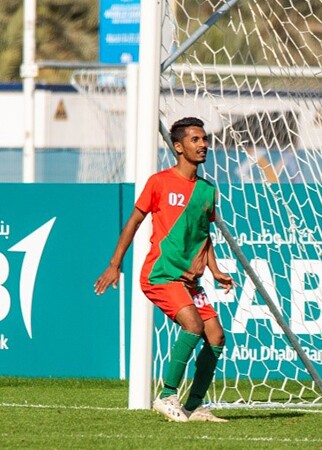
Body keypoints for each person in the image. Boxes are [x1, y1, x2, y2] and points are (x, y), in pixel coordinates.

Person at [94, 117, 234, 422]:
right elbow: (134, 221)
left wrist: (215, 269)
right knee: (194, 326)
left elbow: (203, 237)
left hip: (190, 281)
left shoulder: (208, 191)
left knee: (216, 337)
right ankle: (168, 395)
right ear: (178, 147)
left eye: (205, 139)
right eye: (195, 140)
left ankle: (193, 406)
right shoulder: (159, 182)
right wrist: (114, 264)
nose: (203, 145)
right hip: (160, 274)